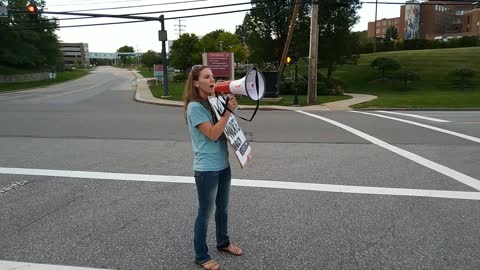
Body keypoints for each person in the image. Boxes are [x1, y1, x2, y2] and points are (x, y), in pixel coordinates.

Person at [184, 65, 244, 270]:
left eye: (213, 76)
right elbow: (212, 134)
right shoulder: (195, 107)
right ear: (195, 82)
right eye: (207, 77)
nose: (212, 80)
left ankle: (223, 242)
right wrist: (227, 112)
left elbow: (228, 130)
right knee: (205, 212)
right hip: (206, 170)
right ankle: (201, 255)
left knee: (223, 209)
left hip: (223, 166)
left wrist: (242, 148)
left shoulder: (212, 103)